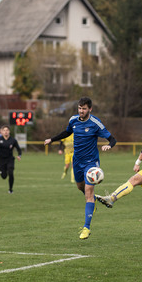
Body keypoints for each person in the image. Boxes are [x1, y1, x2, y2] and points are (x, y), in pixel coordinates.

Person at [44, 97, 117, 240]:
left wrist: (109, 145)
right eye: (79, 108)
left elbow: (112, 138)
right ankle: (93, 201)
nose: (81, 111)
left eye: (84, 109)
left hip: (91, 163)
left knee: (88, 193)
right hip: (76, 161)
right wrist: (52, 139)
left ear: (90, 109)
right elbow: (67, 132)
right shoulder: (73, 120)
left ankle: (86, 227)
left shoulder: (95, 123)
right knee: (80, 188)